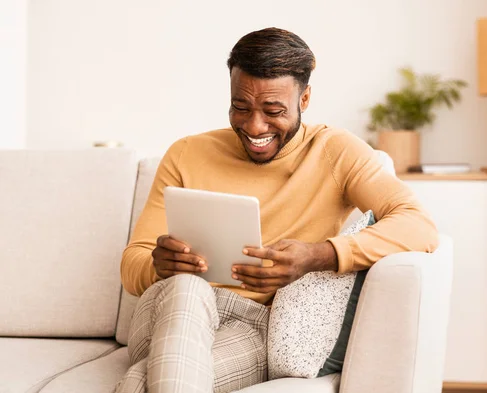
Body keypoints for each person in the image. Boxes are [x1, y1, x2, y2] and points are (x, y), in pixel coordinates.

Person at [116, 27, 438, 393]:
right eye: (241, 107)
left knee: (139, 385)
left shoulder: (335, 152)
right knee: (188, 288)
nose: (254, 126)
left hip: (250, 326)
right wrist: (158, 264)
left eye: (273, 111)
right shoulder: (186, 153)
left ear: (304, 100)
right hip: (164, 308)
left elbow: (419, 225)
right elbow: (132, 265)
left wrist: (320, 255)